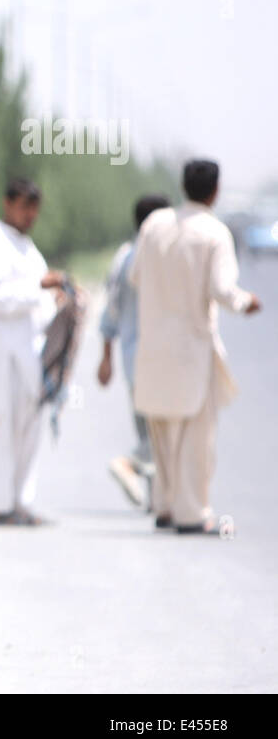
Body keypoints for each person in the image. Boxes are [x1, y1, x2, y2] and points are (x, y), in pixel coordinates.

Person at [130, 159, 261, 535]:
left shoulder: (154, 225)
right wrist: (245, 302)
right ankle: (191, 513)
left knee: (162, 430)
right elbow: (223, 290)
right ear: (215, 191)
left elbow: (137, 275)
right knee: (194, 435)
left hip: (153, 347)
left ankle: (165, 506)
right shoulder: (214, 233)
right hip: (191, 349)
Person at [0, 177, 66, 526]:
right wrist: (39, 286)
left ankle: (21, 504)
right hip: (1, 357)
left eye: (34, 209)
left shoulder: (28, 249)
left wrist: (57, 300)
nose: (30, 216)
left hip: (30, 355)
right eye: (25, 207)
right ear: (8, 203)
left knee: (29, 431)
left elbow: (38, 304)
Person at [97, 194, 170, 508]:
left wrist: (106, 357)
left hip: (130, 359)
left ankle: (158, 501)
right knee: (161, 433)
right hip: (158, 360)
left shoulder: (123, 256)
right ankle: (128, 463)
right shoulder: (160, 257)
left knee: (146, 425)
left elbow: (110, 308)